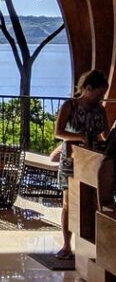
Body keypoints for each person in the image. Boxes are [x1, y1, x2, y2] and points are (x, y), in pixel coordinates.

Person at [55, 69, 110, 258]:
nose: (100, 98)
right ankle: (66, 245)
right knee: (69, 203)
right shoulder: (69, 106)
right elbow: (58, 132)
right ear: (87, 88)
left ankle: (93, 245)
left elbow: (105, 134)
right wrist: (80, 137)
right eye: (98, 93)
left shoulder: (99, 110)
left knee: (93, 202)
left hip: (92, 160)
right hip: (71, 159)